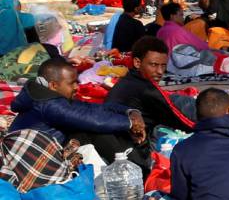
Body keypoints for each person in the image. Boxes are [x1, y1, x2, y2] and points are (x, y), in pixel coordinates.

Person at [10, 57, 147, 162]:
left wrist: (129, 112)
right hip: (35, 162)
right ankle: (138, 168)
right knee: (95, 131)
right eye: (72, 83)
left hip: (43, 153)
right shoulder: (49, 105)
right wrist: (129, 123)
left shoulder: (47, 97)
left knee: (99, 125)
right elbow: (93, 120)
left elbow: (90, 108)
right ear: (53, 85)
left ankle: (136, 163)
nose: (77, 87)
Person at [105, 36, 195, 135]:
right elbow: (179, 121)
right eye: (153, 65)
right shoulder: (147, 89)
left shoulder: (127, 80)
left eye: (163, 65)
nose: (160, 71)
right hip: (134, 142)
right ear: (137, 63)